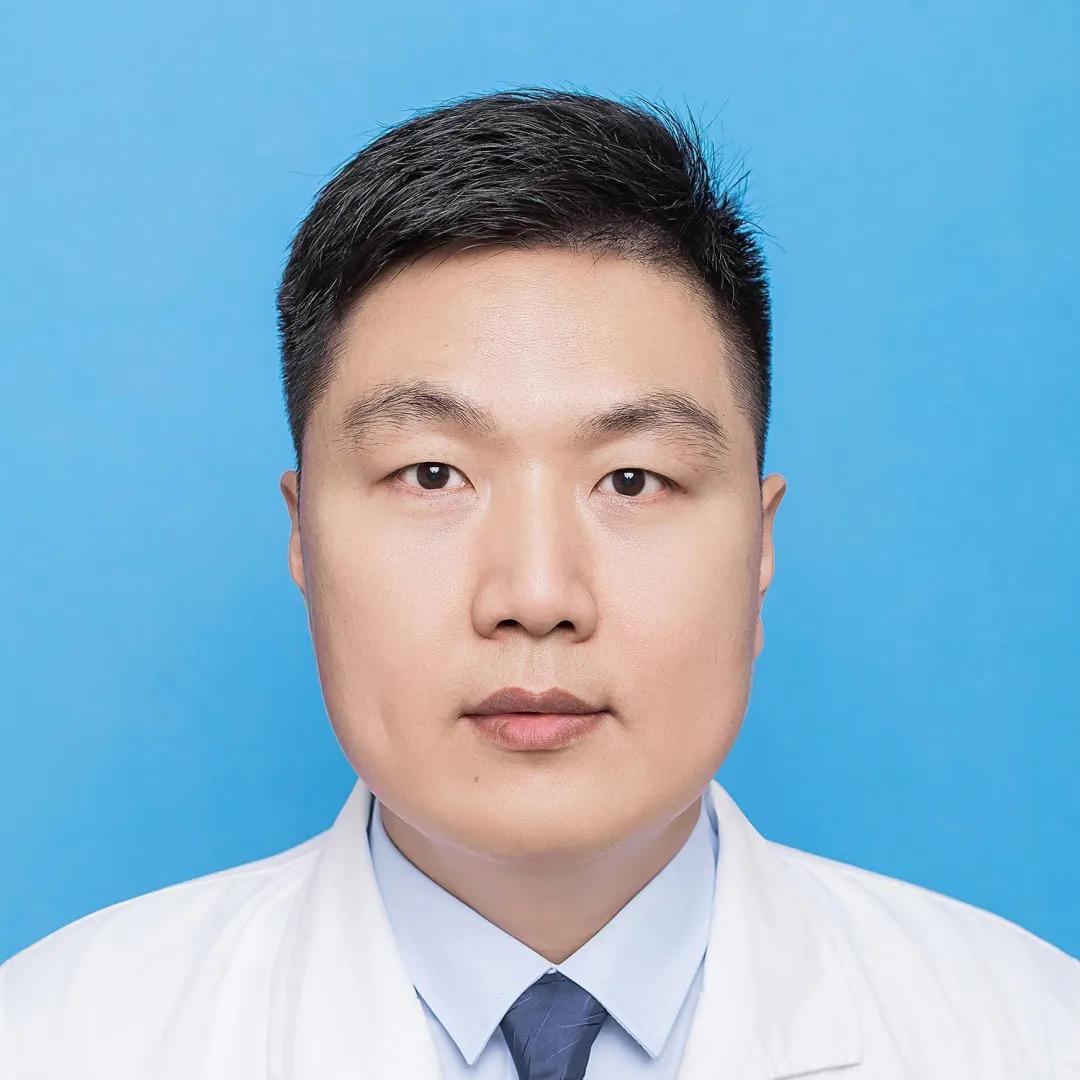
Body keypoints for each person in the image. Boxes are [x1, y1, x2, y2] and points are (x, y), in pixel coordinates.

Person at [1, 87, 1076, 1080]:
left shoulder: (1031, 1033)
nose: (536, 593)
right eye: (432, 474)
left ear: (759, 547)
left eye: (632, 479)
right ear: (303, 539)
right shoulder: (54, 1039)